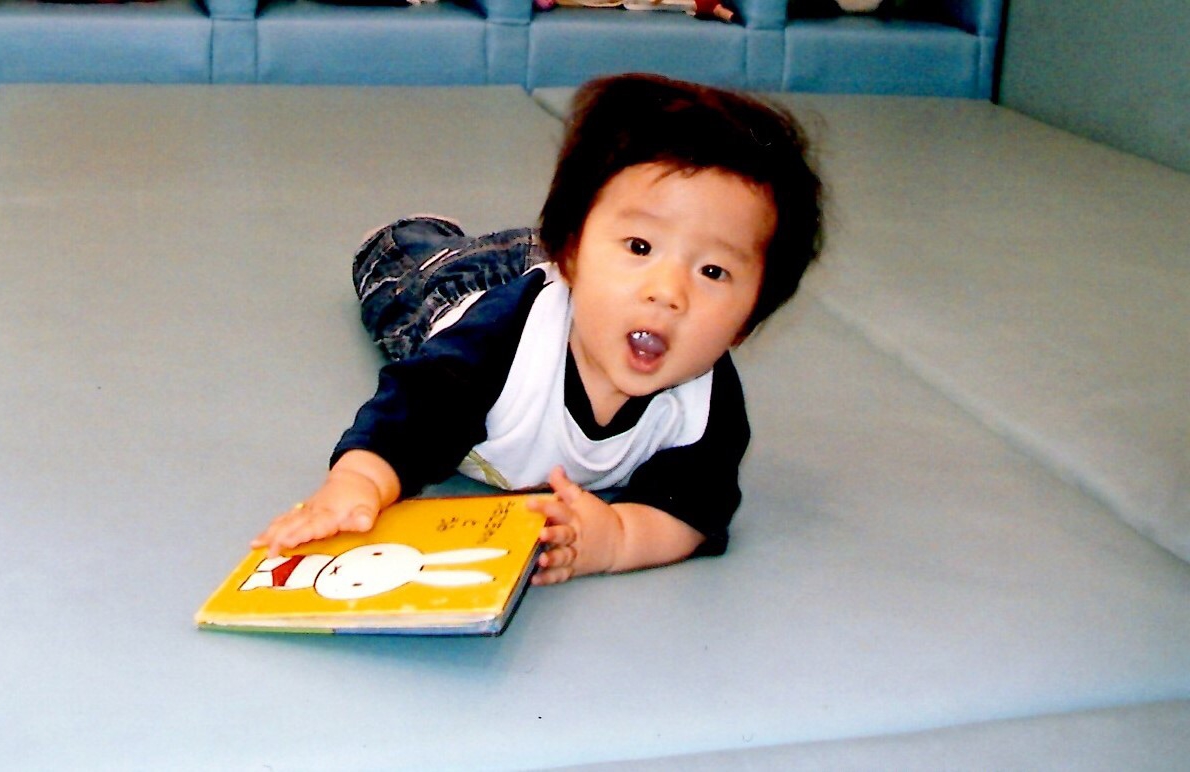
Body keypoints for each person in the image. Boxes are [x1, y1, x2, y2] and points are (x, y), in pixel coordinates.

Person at [253, 73, 823, 585]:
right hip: (459, 296)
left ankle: (566, 248)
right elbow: (413, 413)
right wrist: (358, 483)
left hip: (565, 269)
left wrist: (617, 538)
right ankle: (413, 233)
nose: (668, 292)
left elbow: (693, 510)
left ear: (749, 319)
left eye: (713, 271)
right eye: (640, 247)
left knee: (545, 256)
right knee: (405, 280)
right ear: (572, 252)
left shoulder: (703, 405)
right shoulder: (502, 341)